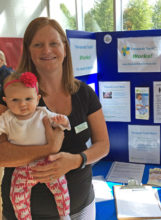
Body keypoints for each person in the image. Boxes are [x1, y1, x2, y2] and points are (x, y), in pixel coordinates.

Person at [0, 17, 110, 220]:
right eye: (38, 45)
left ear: (65, 48)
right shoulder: (13, 94)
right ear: (28, 51)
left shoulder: (84, 93)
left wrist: (76, 160)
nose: (47, 51)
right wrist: (47, 149)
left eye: (54, 43)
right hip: (25, 213)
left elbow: (103, 145)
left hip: (81, 208)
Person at [1, 71, 71, 220]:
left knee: (61, 186)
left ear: (38, 99)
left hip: (47, 162)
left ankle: (65, 215)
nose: (22, 104)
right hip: (22, 165)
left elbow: (62, 123)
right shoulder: (6, 119)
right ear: (6, 101)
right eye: (15, 100)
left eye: (28, 98)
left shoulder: (43, 113)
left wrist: (63, 121)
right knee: (17, 195)